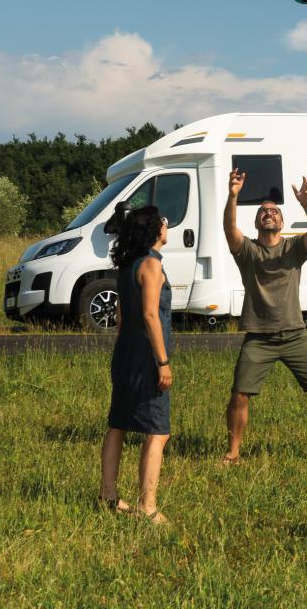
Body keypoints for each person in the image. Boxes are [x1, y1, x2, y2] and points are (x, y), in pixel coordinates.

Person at [222, 168, 307, 467]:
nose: (268, 213)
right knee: (240, 395)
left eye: (274, 211)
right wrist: (233, 196)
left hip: (295, 334)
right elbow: (229, 230)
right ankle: (233, 453)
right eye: (263, 211)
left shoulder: (293, 248)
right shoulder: (247, 251)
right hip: (259, 337)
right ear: (257, 222)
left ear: (282, 223)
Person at [99, 203, 173, 524]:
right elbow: (150, 315)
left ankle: (108, 496)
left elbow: (119, 318)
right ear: (154, 230)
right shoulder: (151, 265)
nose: (166, 224)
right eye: (163, 221)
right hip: (146, 357)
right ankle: (148, 505)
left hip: (125, 353)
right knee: (158, 431)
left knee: (118, 425)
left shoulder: (128, 267)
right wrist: (162, 361)